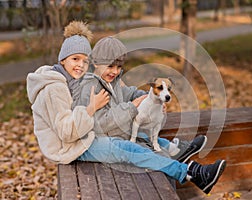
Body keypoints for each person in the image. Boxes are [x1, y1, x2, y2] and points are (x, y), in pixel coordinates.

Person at [74, 36, 226, 194]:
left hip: (110, 136)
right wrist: (131, 107)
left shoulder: (110, 82)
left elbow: (131, 93)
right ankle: (192, 172)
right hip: (91, 142)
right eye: (110, 66)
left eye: (119, 66)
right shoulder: (90, 88)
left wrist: (152, 99)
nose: (115, 71)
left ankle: (175, 150)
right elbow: (98, 125)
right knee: (136, 148)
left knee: (141, 134)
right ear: (95, 63)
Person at [26, 21, 110, 164]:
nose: (80, 65)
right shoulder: (55, 88)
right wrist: (91, 108)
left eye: (85, 61)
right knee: (125, 149)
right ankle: (163, 167)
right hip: (66, 149)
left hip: (78, 140)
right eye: (75, 59)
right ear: (63, 60)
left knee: (135, 138)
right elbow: (66, 133)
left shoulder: (72, 82)